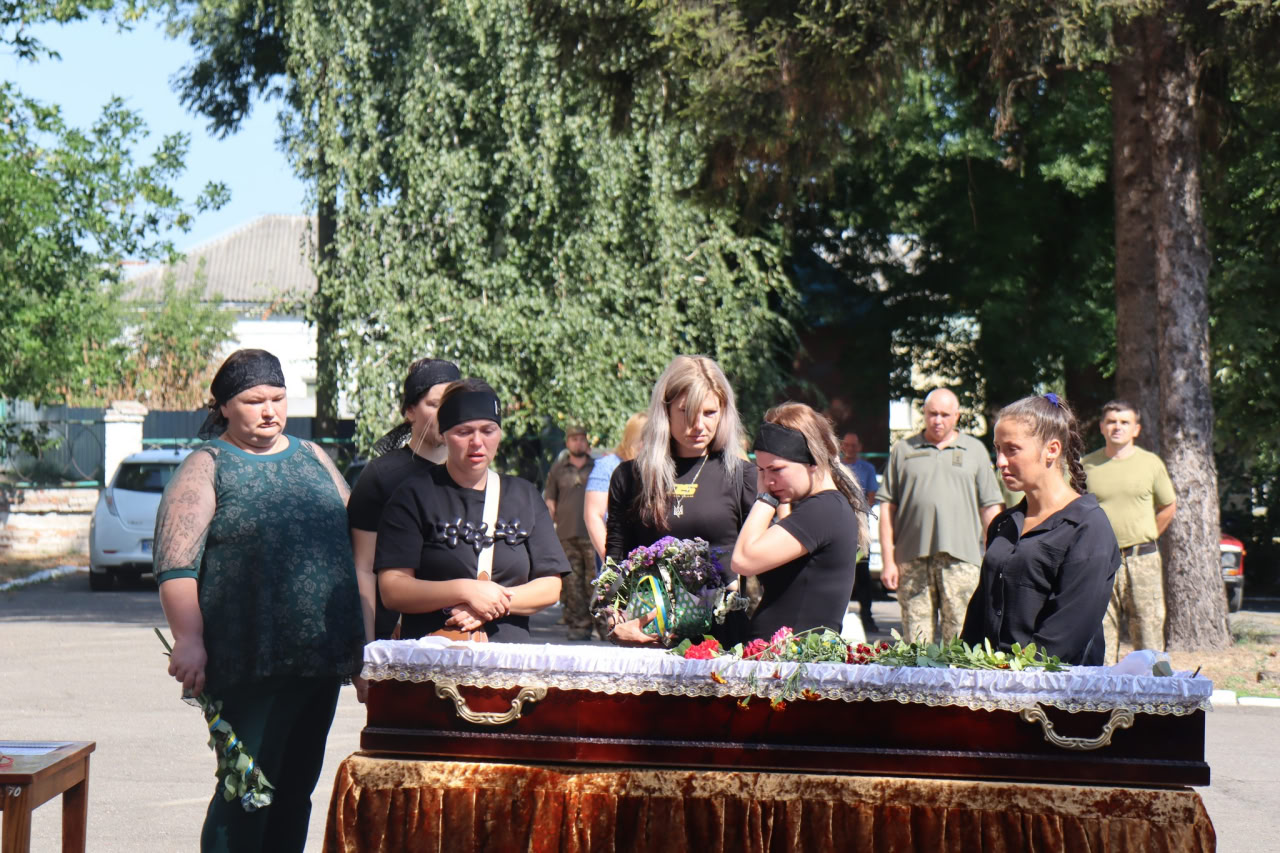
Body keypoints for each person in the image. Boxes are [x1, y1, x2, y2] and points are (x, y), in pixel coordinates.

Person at [154, 349, 368, 853]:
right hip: (246, 659)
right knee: (246, 789)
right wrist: (188, 639)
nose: (269, 410)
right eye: (254, 400)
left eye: (277, 397)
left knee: (296, 789)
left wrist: (365, 641)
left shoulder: (314, 457)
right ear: (224, 407)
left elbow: (358, 540)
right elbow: (176, 562)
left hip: (318, 658)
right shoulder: (208, 466)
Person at [375, 379, 567, 641]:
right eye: (464, 432)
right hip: (433, 665)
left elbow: (550, 586)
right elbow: (393, 588)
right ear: (443, 433)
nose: (477, 442)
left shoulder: (524, 496)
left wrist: (491, 604)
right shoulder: (413, 496)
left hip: (509, 667)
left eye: (488, 430)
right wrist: (466, 591)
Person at [604, 355, 756, 644]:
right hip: (647, 637)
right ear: (666, 411)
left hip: (721, 645)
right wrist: (614, 621)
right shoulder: (630, 477)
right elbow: (615, 559)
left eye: (710, 413)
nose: (698, 425)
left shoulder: (743, 477)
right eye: (686, 412)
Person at [962, 394, 1120, 665]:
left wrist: (1012, 676)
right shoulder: (1005, 523)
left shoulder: (1087, 527)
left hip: (1053, 695)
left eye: (1012, 449)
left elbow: (1065, 637)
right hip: (991, 688)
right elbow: (980, 617)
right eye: (997, 449)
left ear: (1052, 449)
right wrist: (964, 666)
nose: (1000, 462)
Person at [732, 404, 870, 640]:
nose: (767, 480)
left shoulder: (824, 510)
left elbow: (743, 559)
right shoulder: (822, 507)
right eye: (762, 471)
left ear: (812, 461)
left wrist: (765, 498)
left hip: (792, 666)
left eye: (776, 469)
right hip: (786, 662)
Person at [878, 388, 1004, 643]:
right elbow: (886, 508)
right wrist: (888, 561)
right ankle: (916, 685)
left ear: (957, 416)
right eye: (932, 413)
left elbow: (990, 507)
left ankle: (958, 684)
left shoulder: (975, 451)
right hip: (912, 559)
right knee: (916, 641)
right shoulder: (903, 450)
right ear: (923, 414)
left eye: (945, 414)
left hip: (962, 559)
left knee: (961, 637)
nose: (938, 420)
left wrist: (995, 556)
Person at [348, 358, 461, 639]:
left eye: (452, 403)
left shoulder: (477, 476)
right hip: (397, 641)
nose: (445, 414)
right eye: (434, 405)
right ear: (410, 410)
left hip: (465, 639)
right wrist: (366, 649)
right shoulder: (382, 476)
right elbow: (363, 567)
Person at [1083, 400, 1178, 663]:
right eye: (1111, 421)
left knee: (1149, 638)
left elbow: (1168, 505)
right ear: (1102, 427)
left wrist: (1146, 535)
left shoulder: (1150, 464)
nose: (1117, 427)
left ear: (1136, 429)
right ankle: (1101, 702)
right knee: (1098, 635)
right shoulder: (1086, 466)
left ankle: (1156, 700)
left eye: (1124, 422)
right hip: (1100, 561)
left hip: (1142, 560)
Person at [544, 423, 596, 641]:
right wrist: (550, 530)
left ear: (587, 441)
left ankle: (604, 627)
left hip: (593, 534)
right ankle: (579, 626)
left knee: (596, 581)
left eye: (582, 439)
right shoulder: (557, 469)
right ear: (567, 443)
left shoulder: (597, 467)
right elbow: (550, 501)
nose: (578, 442)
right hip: (566, 533)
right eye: (574, 439)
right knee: (572, 584)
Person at [584, 412, 648, 560]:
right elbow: (593, 515)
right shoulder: (607, 465)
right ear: (635, 438)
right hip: (617, 552)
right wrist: (610, 559)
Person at [840, 430, 879, 632]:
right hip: (839, 523)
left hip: (861, 525)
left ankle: (867, 616)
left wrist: (859, 510)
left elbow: (871, 496)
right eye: (847, 445)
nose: (850, 449)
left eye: (854, 445)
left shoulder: (867, 468)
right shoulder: (835, 468)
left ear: (860, 447)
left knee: (863, 574)